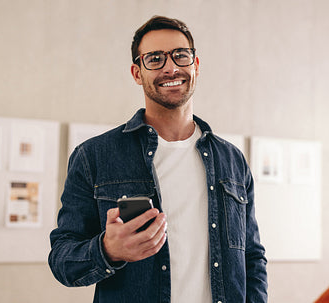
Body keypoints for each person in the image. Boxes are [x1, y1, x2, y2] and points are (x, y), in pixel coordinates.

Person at [48, 15, 267, 303]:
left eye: (181, 55)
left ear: (196, 65)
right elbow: (62, 260)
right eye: (154, 59)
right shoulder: (94, 156)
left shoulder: (232, 159)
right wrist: (108, 250)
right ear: (137, 73)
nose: (171, 67)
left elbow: (252, 256)